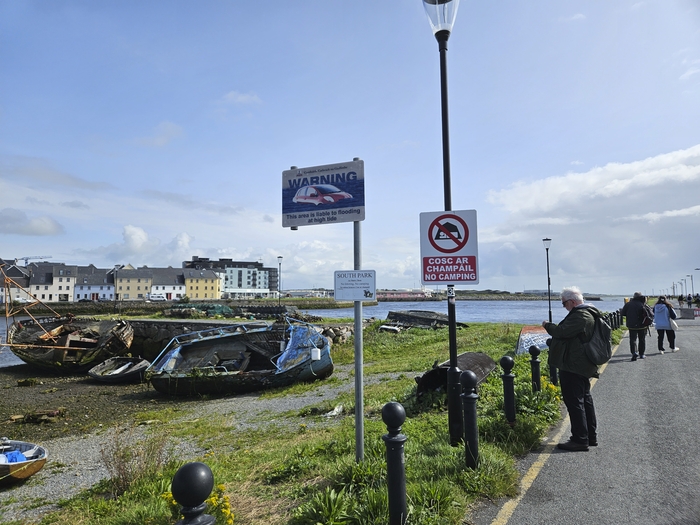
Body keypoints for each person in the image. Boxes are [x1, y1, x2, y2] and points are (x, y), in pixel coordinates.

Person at [542, 286, 600, 452]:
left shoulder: (581, 315)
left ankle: (580, 439)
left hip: (574, 364)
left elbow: (561, 332)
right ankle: (590, 436)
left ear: (572, 301)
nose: (564, 307)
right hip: (580, 363)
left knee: (575, 402)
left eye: (564, 304)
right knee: (584, 400)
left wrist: (548, 325)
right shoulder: (588, 312)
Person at [620, 292, 649, 361]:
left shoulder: (628, 304)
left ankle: (634, 352)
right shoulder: (642, 304)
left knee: (633, 339)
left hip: (631, 325)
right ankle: (641, 354)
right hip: (642, 325)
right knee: (642, 339)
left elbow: (623, 313)